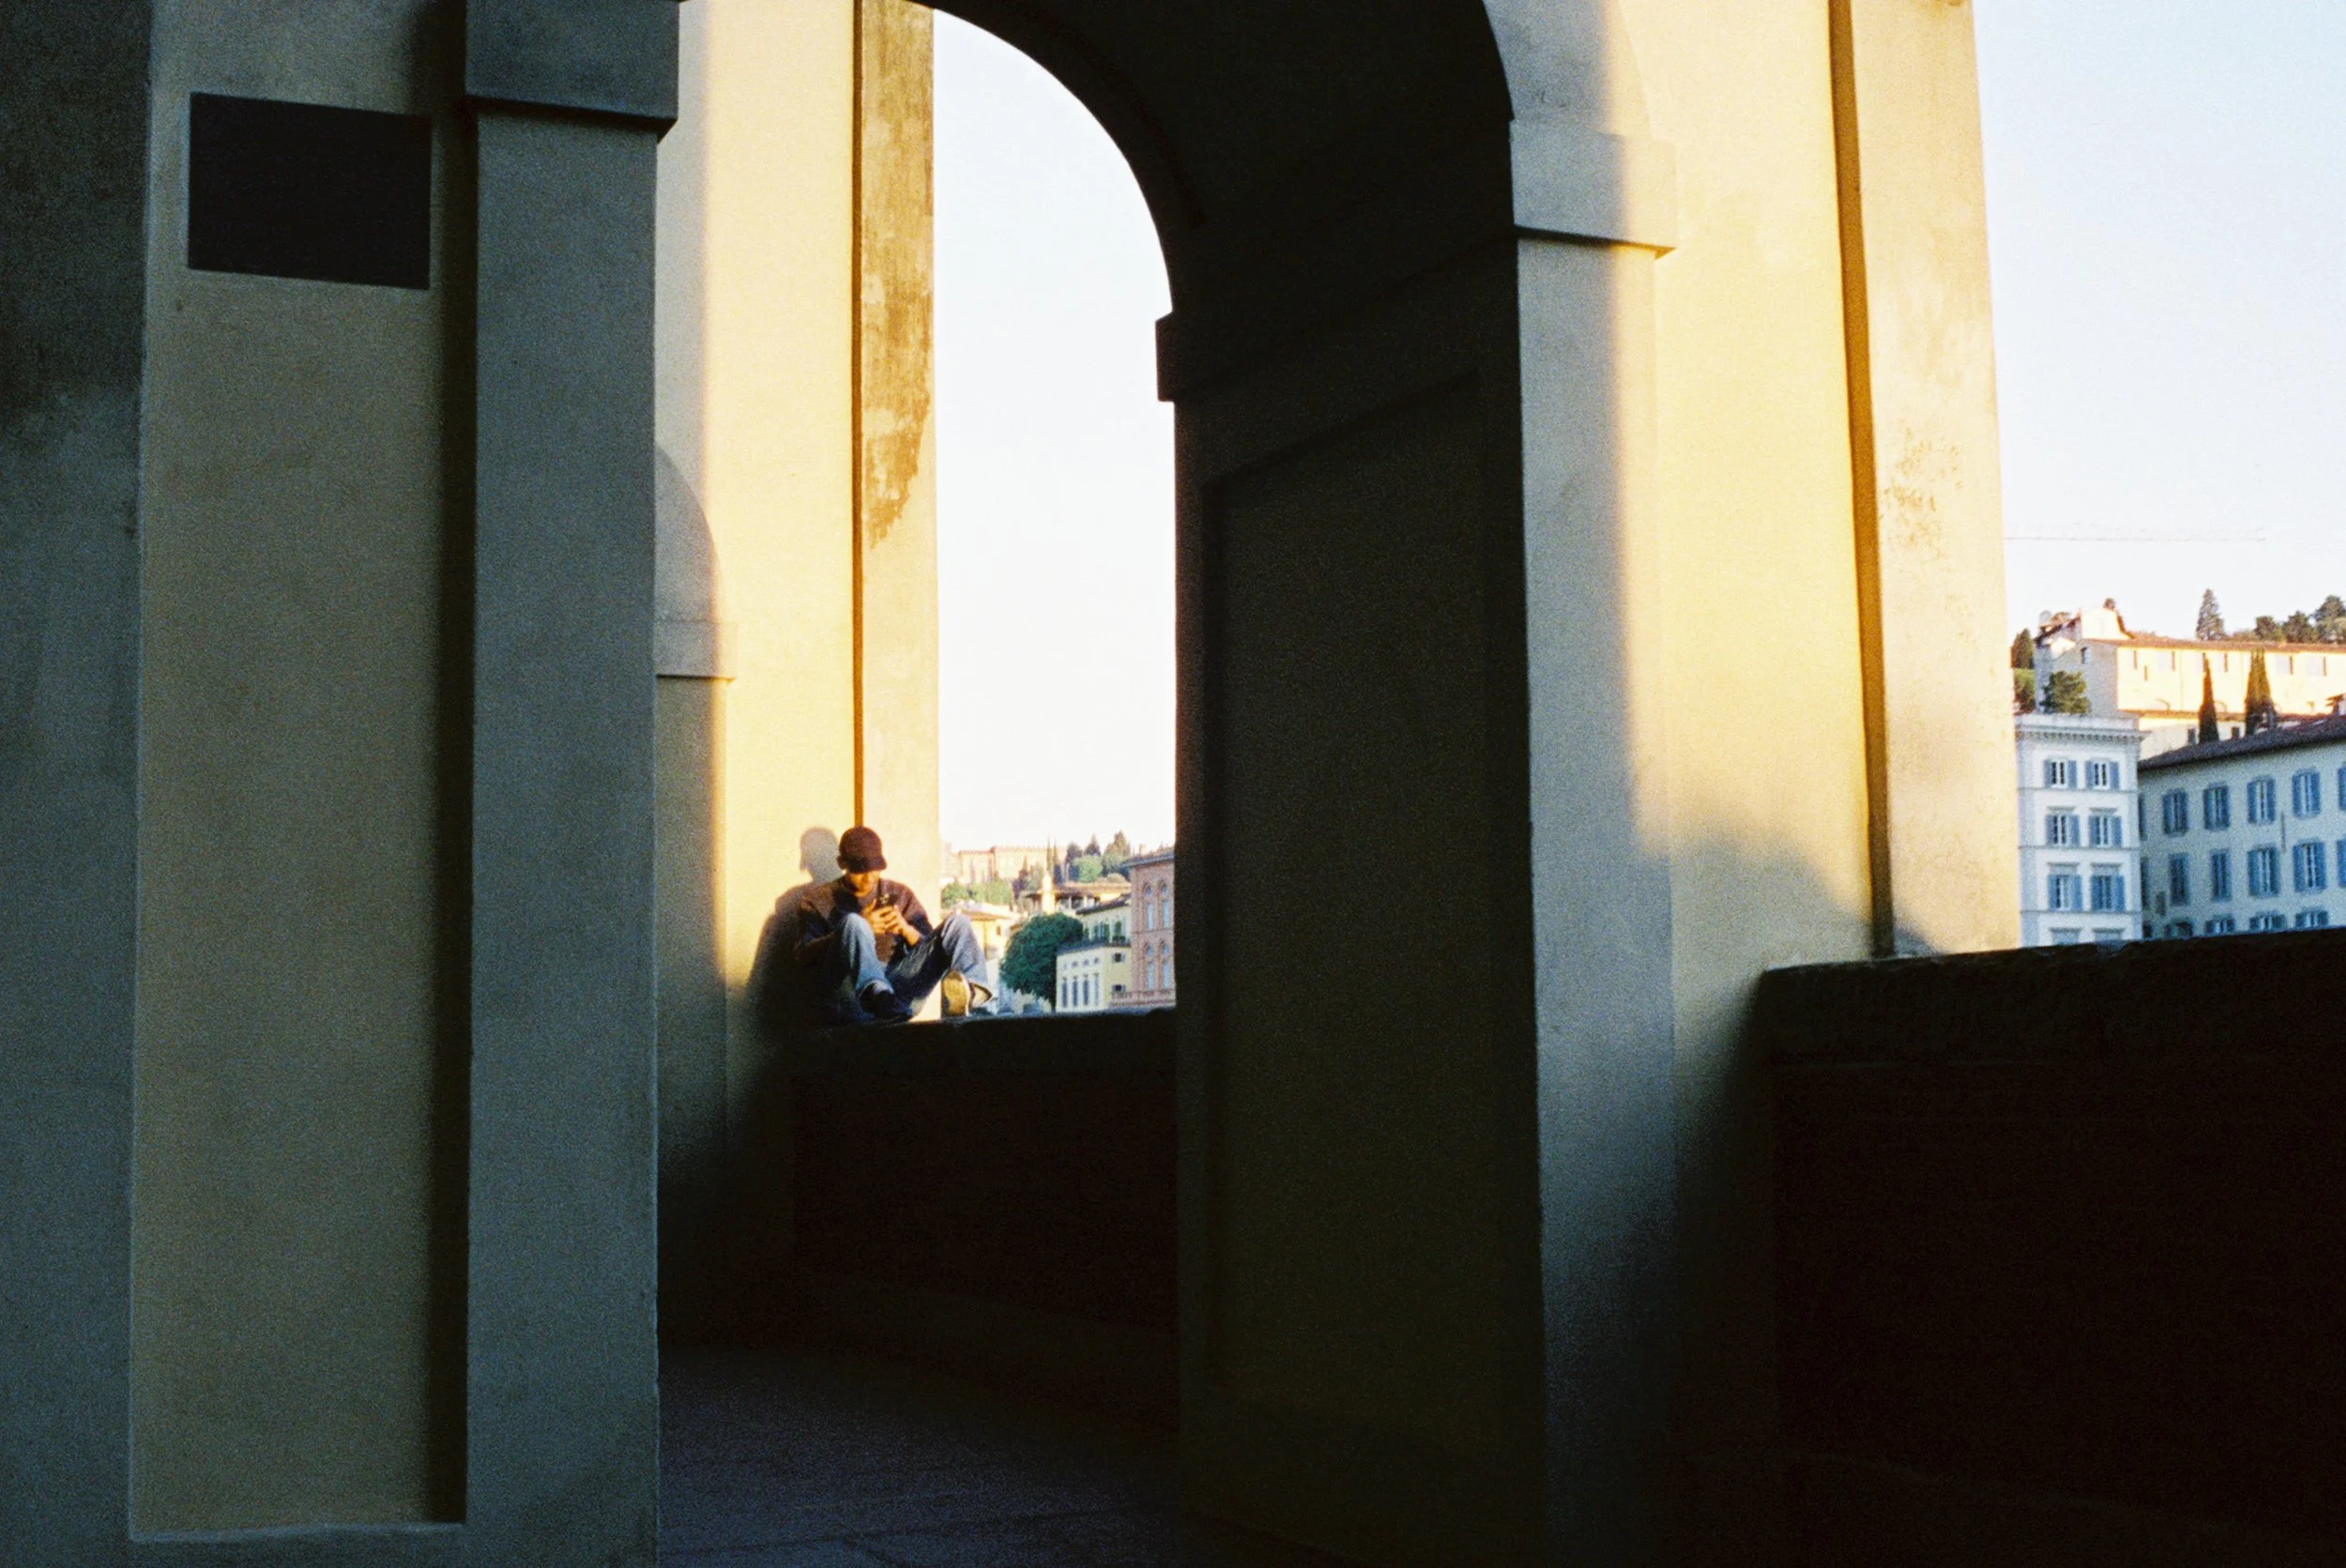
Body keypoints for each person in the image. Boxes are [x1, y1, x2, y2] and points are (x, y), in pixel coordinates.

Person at [793, 826, 992, 1024]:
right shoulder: (816, 900)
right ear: (842, 864)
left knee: (958, 922)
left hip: (899, 992)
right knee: (853, 923)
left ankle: (974, 991)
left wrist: (906, 930)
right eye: (860, 871)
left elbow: (932, 948)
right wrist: (851, 931)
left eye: (875, 870)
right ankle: (875, 992)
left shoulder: (899, 893)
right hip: (850, 995)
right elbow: (802, 955)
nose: (869, 879)